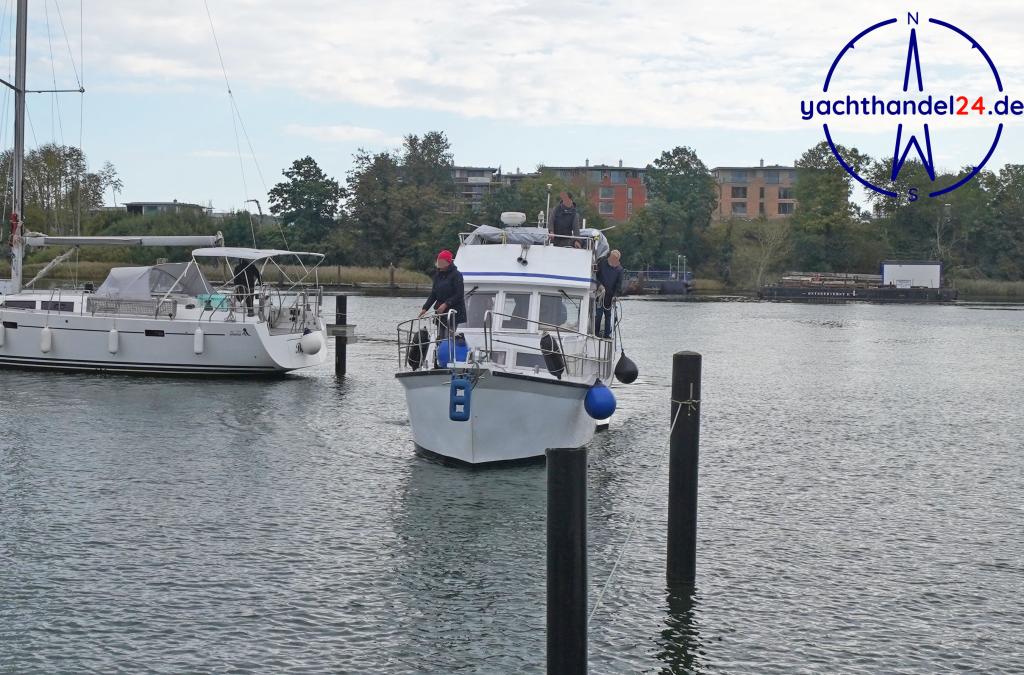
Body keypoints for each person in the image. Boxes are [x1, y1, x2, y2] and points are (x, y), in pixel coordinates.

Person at [419, 249, 466, 341]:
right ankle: (440, 351)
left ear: (448, 263)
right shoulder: (437, 276)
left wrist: (446, 304)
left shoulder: (457, 275)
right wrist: (425, 308)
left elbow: (459, 294)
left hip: (453, 312)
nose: (439, 265)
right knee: (441, 337)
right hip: (440, 312)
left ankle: (448, 351)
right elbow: (433, 294)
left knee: (448, 337)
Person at [595, 249, 623, 338]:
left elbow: (619, 285)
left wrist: (615, 296)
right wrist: (599, 285)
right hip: (599, 294)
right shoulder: (602, 263)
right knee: (598, 315)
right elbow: (595, 276)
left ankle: (607, 335)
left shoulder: (619, 270)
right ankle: (595, 333)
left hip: (610, 297)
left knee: (608, 316)